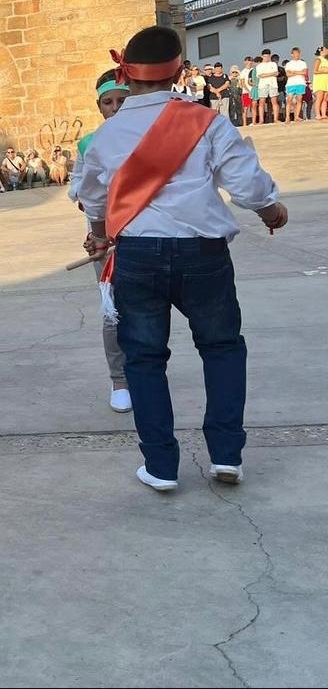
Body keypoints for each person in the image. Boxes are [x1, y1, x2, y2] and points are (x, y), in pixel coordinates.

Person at [80, 26, 287, 492]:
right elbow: (250, 187)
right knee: (222, 348)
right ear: (178, 71)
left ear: (126, 73)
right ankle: (227, 456)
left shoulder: (107, 135)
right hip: (203, 253)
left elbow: (93, 200)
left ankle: (160, 466)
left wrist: (98, 237)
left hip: (138, 254)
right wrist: (274, 212)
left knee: (145, 359)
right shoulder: (205, 120)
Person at [69, 70, 132, 413]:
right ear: (99, 106)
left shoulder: (147, 134)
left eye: (122, 101)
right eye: (108, 102)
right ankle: (119, 378)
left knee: (147, 306)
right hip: (103, 237)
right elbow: (79, 185)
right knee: (112, 307)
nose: (115, 107)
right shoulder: (88, 143)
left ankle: (144, 369)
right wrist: (97, 230)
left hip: (145, 233)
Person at [255, 49, 280, 125]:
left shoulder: (273, 64)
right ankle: (261, 120)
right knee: (261, 102)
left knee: (274, 102)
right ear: (262, 56)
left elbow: (276, 73)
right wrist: (270, 74)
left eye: (267, 56)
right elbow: (260, 75)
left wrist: (266, 74)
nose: (266, 58)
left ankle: (276, 119)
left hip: (273, 84)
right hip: (262, 85)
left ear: (270, 56)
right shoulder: (259, 66)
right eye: (264, 56)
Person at [284, 47, 308, 125]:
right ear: (292, 54)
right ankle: (287, 117)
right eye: (295, 53)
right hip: (291, 84)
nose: (297, 55)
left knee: (299, 99)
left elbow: (304, 72)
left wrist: (294, 72)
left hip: (300, 83)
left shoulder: (303, 63)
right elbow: (288, 74)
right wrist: (298, 72)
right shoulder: (289, 64)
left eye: (298, 53)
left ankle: (296, 116)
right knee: (289, 100)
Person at [315, 47, 328, 121]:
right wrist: (325, 71)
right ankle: (317, 114)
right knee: (319, 98)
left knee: (325, 98)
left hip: (326, 81)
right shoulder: (318, 59)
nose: (327, 51)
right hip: (320, 81)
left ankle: (323, 114)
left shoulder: (326, 60)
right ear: (321, 51)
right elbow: (315, 71)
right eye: (326, 49)